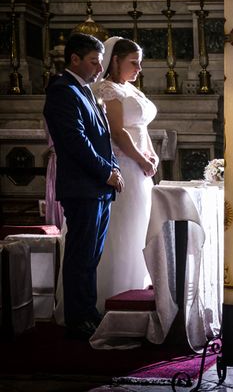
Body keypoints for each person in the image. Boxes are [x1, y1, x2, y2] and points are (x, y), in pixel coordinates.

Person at [43, 33, 124, 340]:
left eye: (100, 61)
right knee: (80, 254)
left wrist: (112, 168)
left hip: (98, 187)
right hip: (82, 187)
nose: (99, 67)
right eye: (93, 61)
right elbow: (75, 140)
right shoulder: (62, 91)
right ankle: (77, 318)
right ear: (74, 59)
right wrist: (107, 172)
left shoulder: (85, 90)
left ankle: (89, 310)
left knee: (92, 255)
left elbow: (101, 136)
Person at [92, 37, 159, 313]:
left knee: (140, 227)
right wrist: (142, 159)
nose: (139, 68)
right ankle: (113, 293)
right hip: (125, 167)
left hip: (141, 167)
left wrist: (151, 153)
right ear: (115, 60)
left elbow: (141, 128)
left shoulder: (132, 90)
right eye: (133, 62)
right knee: (123, 228)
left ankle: (136, 285)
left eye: (140, 62)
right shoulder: (107, 90)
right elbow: (118, 133)